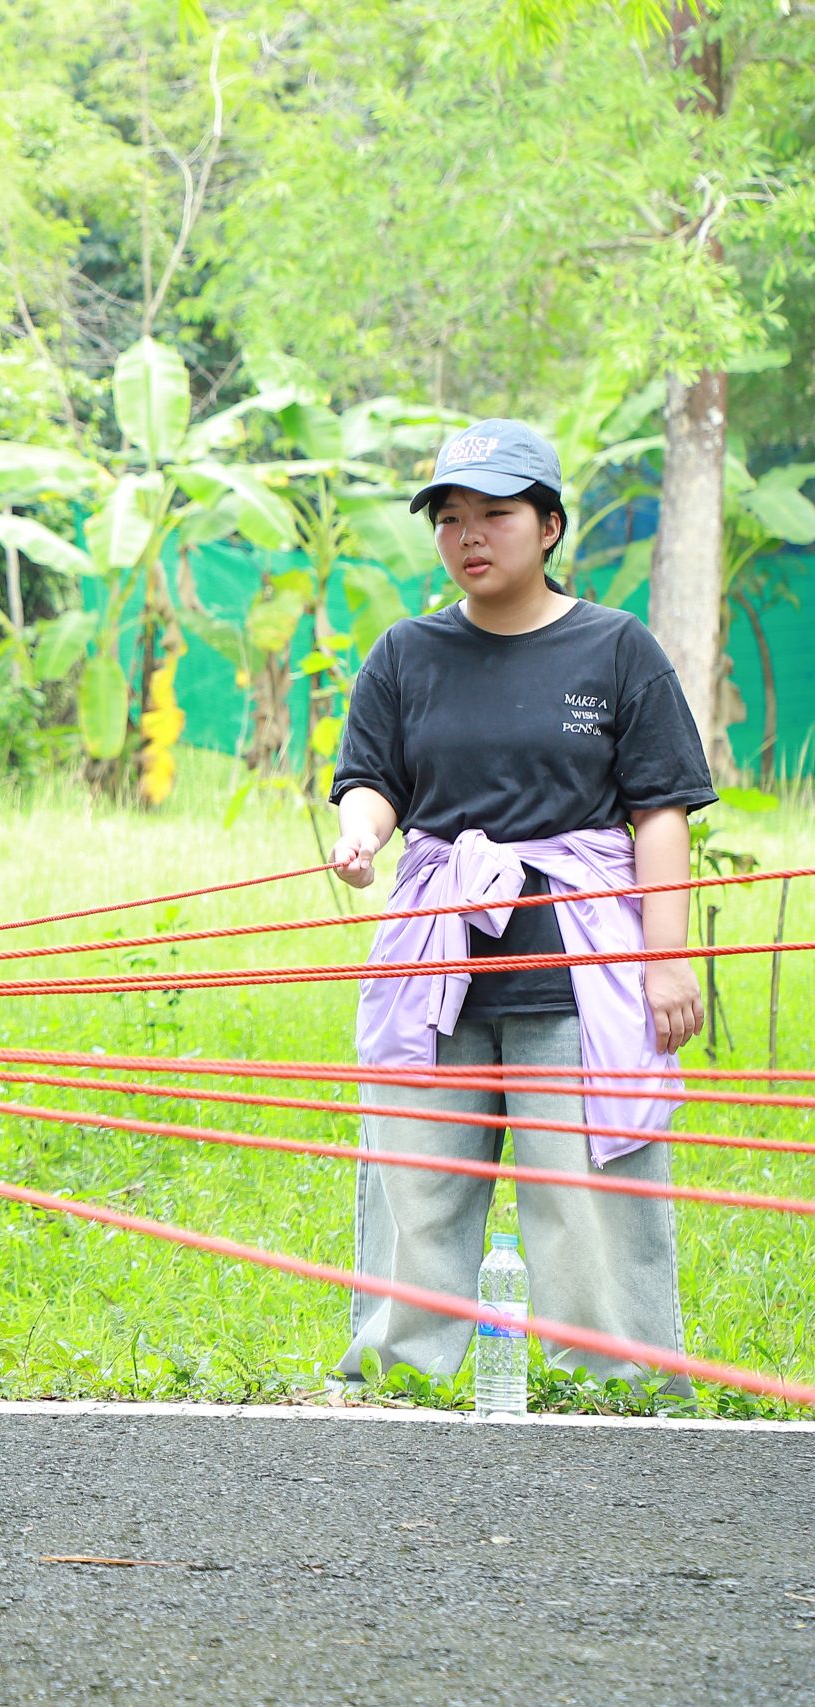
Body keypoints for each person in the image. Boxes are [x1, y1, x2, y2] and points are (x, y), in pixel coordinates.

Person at [328, 417, 716, 1395]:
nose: (469, 535)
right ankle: (398, 1379)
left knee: (585, 1192)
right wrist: (360, 835)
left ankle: (615, 1387)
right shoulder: (405, 653)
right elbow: (371, 780)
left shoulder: (616, 649)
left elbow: (660, 815)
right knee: (417, 1177)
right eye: (449, 517)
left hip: (575, 971)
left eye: (494, 514)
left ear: (548, 526)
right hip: (437, 966)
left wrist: (666, 959)